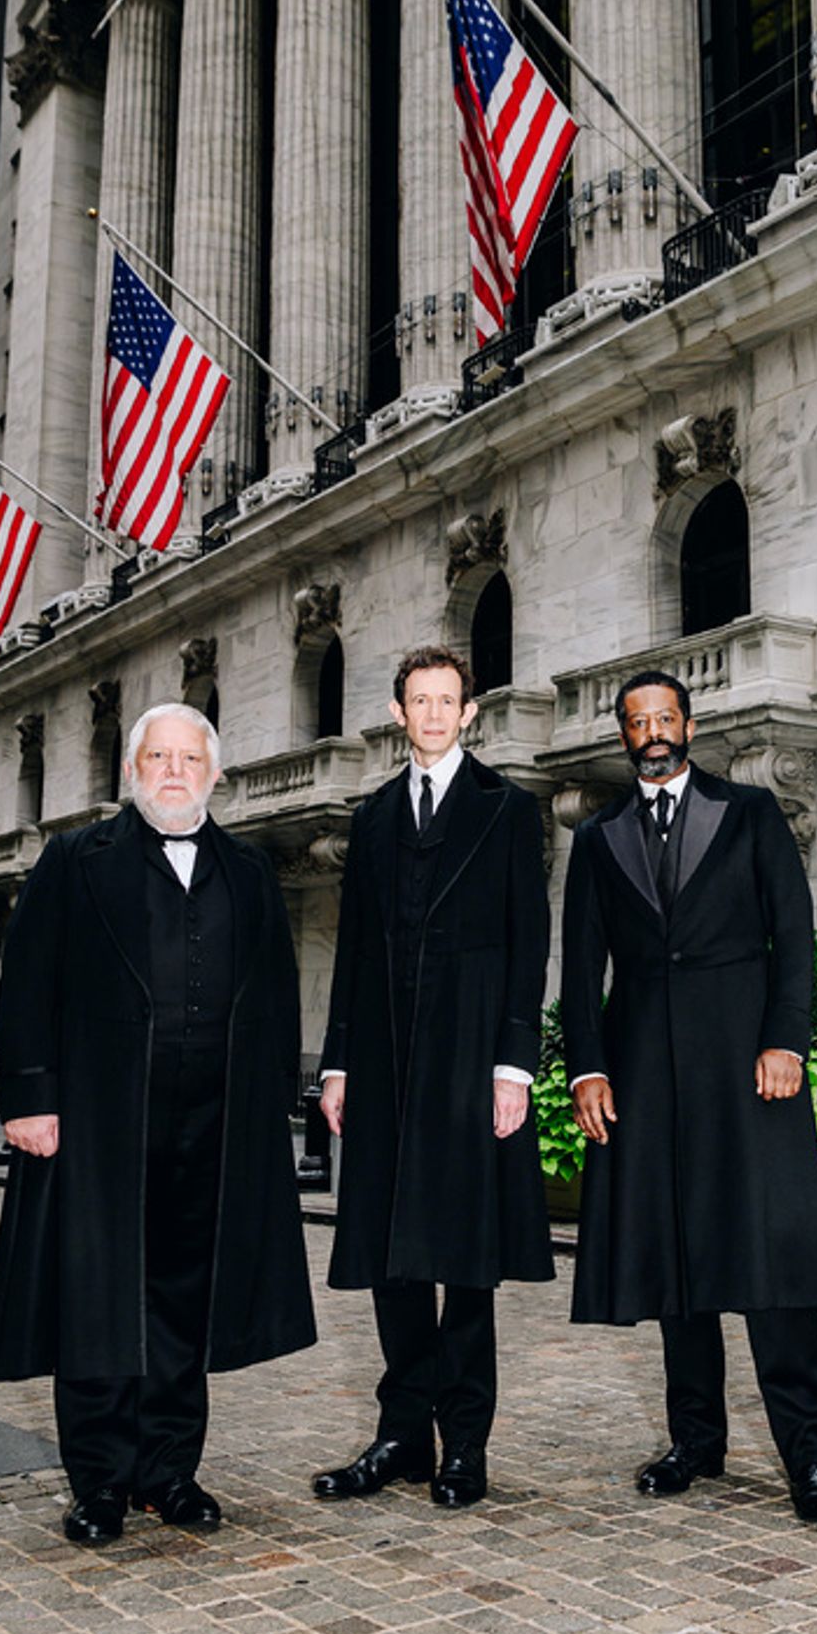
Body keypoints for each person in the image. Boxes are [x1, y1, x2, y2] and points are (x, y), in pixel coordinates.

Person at [0, 703, 316, 1545]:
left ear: (214, 773)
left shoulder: (249, 870)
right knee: (96, 1304)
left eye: (189, 758)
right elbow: (27, 984)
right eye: (157, 757)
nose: (172, 770)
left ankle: (169, 1471)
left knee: (183, 1306)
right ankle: (99, 1483)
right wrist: (28, 1098)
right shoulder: (72, 860)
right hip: (97, 1126)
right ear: (131, 771)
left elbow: (275, 993)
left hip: (216, 1128)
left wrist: (273, 1111)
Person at [561, 671, 817, 1528]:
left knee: (773, 1266)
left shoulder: (752, 812)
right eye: (637, 720)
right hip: (645, 1072)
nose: (653, 731)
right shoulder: (598, 836)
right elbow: (581, 968)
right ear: (624, 735)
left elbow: (792, 929)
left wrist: (786, 1038)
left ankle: (812, 1459)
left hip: (748, 1065)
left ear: (690, 723)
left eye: (665, 716)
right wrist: (588, 1067)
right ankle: (696, 1440)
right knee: (676, 1261)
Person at [312, 645, 553, 1508]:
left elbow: (533, 945)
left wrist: (513, 1064)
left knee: (467, 1265)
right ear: (399, 710)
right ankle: (403, 1437)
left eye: (449, 700)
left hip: (468, 1061)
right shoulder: (373, 817)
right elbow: (351, 954)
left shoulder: (510, 810)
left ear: (470, 711)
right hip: (381, 1064)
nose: (436, 713)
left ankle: (466, 1448)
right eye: (421, 700)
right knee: (393, 1263)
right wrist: (337, 1064)